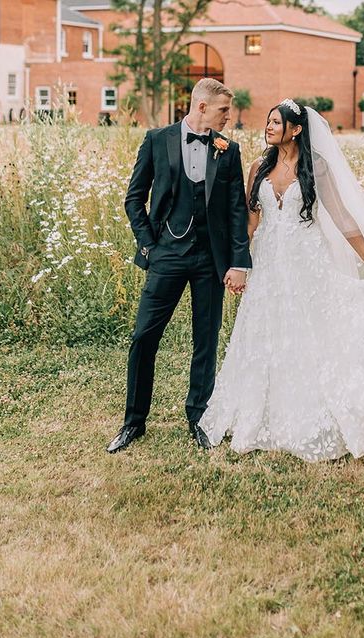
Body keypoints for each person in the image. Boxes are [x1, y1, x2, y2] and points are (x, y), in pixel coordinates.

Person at [198, 99, 364, 462]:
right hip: (270, 265)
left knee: (312, 334)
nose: (267, 127)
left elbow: (344, 219)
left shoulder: (316, 167)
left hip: (307, 263)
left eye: (275, 122)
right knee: (266, 334)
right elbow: (251, 223)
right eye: (267, 122)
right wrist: (239, 264)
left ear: (296, 129)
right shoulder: (258, 167)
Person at [107, 78, 251, 454]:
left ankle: (199, 419)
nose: (228, 118)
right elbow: (134, 198)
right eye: (223, 110)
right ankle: (133, 422)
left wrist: (239, 262)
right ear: (201, 107)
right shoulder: (158, 140)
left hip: (210, 260)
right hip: (166, 255)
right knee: (144, 337)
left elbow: (237, 211)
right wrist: (150, 247)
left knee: (206, 340)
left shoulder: (228, 150)